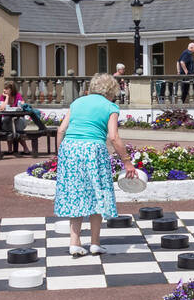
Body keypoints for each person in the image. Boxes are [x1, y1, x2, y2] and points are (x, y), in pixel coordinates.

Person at [53, 72, 139, 256]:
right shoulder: (110, 106)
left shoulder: (77, 102)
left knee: (76, 193)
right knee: (97, 193)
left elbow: (61, 130)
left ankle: (74, 242)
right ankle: (95, 243)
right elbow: (113, 137)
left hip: (70, 148)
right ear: (111, 90)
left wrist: (61, 154)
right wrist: (127, 162)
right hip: (93, 149)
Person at [0, 80, 30, 154]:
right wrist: (6, 97)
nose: (4, 90)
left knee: (17, 126)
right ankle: (13, 149)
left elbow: (22, 106)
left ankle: (22, 147)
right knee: (8, 123)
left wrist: (22, 104)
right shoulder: (3, 97)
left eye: (6, 89)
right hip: (6, 119)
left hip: (18, 118)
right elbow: (2, 108)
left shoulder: (17, 95)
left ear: (11, 89)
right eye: (4, 88)